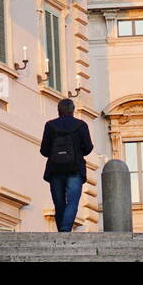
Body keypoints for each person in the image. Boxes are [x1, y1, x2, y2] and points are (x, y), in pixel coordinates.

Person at [40, 97, 94, 233]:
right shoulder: (81, 125)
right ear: (73, 111)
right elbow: (88, 147)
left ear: (58, 111)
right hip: (75, 169)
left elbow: (44, 150)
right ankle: (65, 229)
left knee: (59, 203)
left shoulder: (50, 126)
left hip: (55, 170)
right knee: (73, 202)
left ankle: (61, 231)